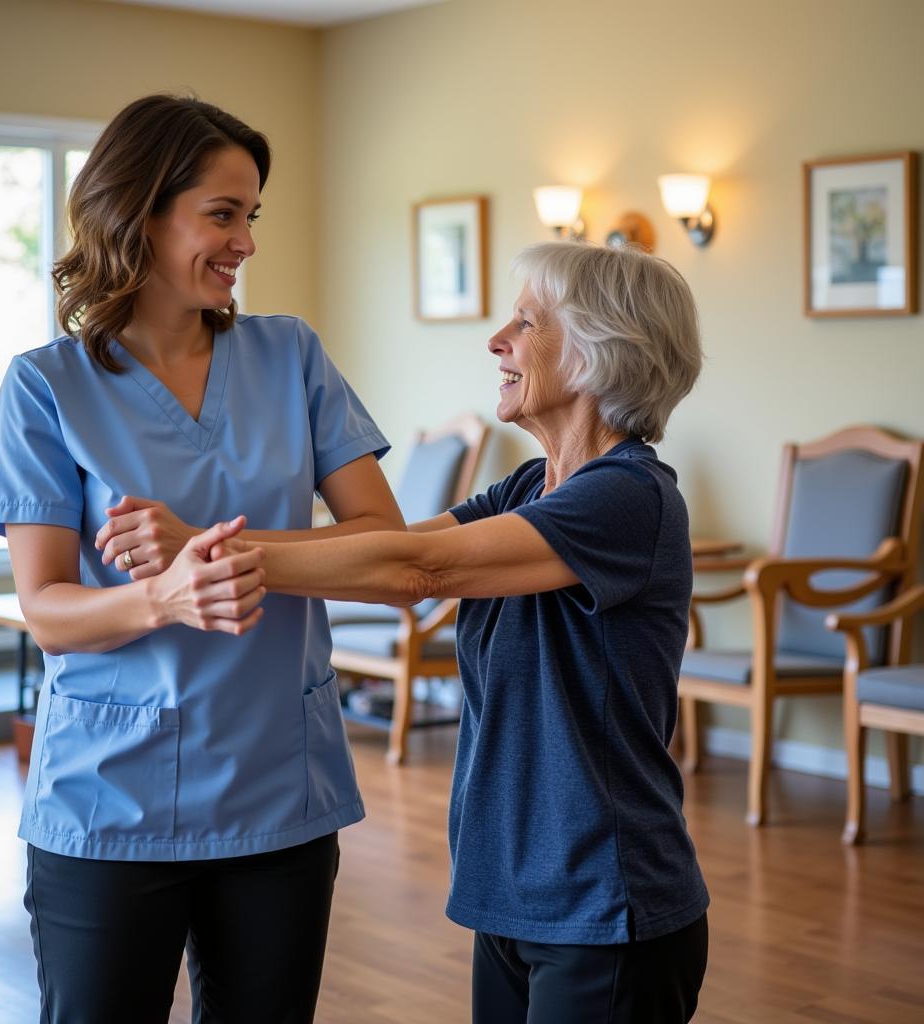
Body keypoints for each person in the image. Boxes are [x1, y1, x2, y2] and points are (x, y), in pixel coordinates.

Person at [0, 94, 403, 1024]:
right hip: (108, 802)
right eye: (222, 214)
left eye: (251, 216)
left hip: (279, 790)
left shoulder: (291, 356)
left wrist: (221, 551)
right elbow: (46, 609)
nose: (245, 241)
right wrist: (164, 598)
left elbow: (382, 547)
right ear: (138, 211)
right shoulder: (45, 387)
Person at [203, 240, 710, 1022]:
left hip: (606, 902)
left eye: (526, 322)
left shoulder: (628, 497)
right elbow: (380, 554)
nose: (497, 340)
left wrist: (210, 554)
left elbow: (420, 572)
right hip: (512, 893)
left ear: (599, 351)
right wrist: (209, 548)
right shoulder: (528, 486)